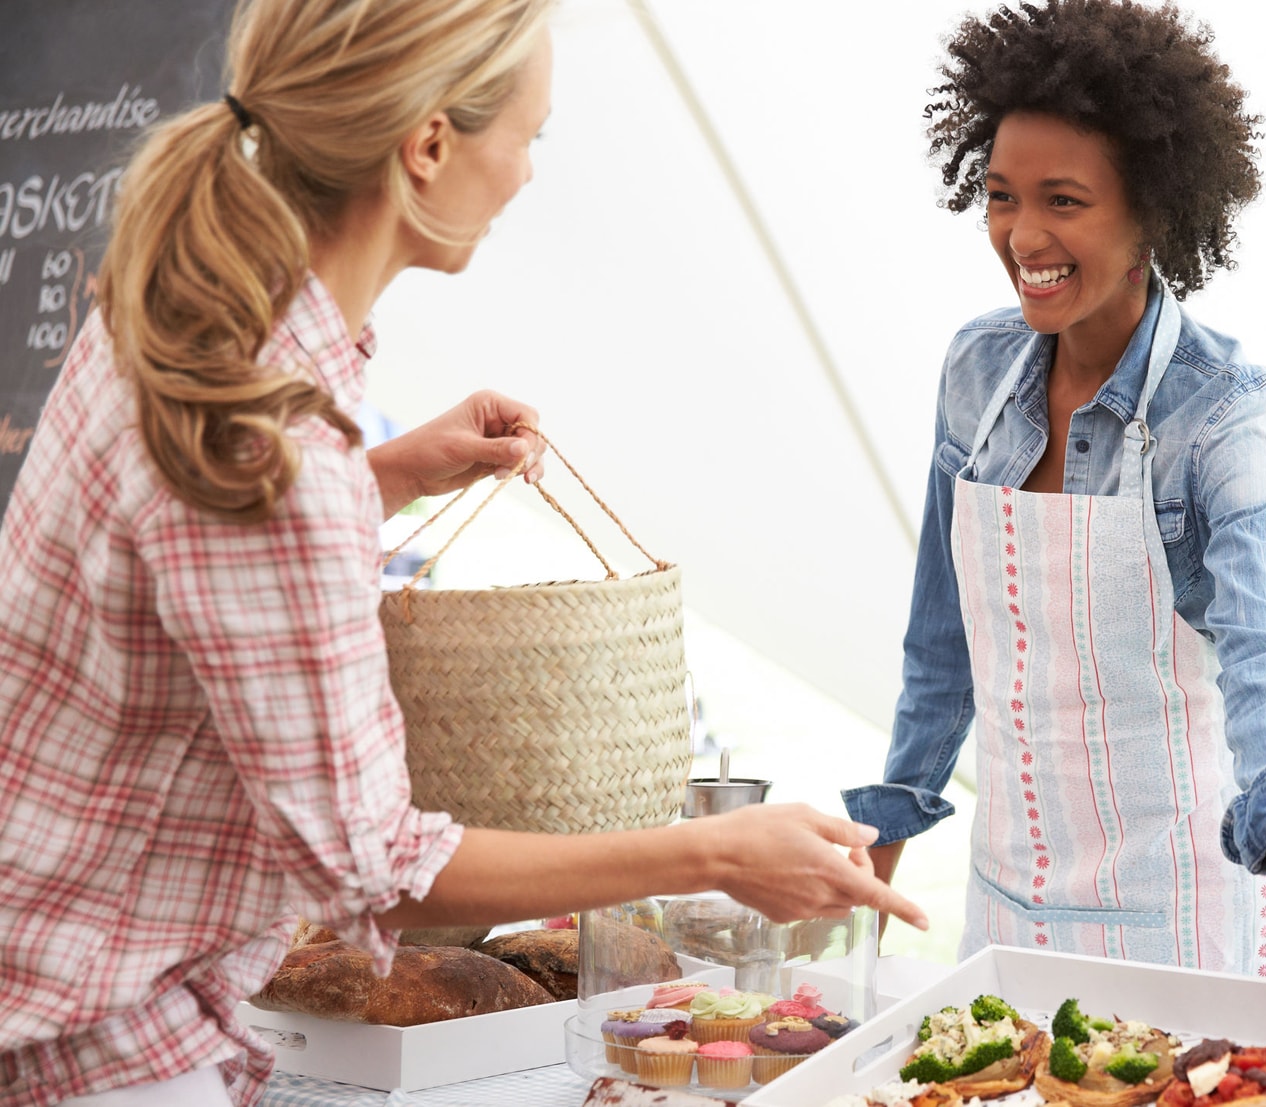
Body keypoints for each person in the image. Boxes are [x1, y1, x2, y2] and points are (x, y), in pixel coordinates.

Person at [0, 3, 922, 1104]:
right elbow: (382, 873)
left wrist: (385, 476)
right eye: (527, 135)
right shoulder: (271, 446)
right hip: (95, 1044)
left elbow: (174, 554)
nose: (529, 174)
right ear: (428, 144)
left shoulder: (189, 305)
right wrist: (715, 853)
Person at [843, 0, 1266, 1065]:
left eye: (1063, 202)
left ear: (1153, 213)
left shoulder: (1224, 411)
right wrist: (883, 836)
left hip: (1181, 929)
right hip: (1003, 916)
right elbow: (943, 644)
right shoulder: (975, 371)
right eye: (999, 198)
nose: (1022, 236)